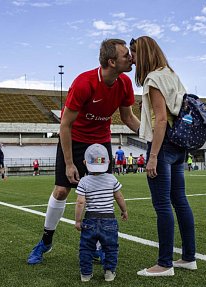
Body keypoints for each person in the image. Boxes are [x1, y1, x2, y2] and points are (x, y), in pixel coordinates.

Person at [27, 39, 140, 265]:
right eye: (126, 55)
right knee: (61, 191)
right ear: (111, 61)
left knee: (101, 195)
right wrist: (69, 163)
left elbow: (127, 117)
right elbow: (65, 125)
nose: (131, 58)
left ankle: (97, 245)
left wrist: (151, 135)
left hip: (100, 144)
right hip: (75, 140)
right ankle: (46, 241)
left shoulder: (125, 82)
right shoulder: (84, 83)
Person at [131, 36, 196, 277]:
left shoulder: (153, 79)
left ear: (144, 54)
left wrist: (153, 156)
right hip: (180, 145)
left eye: (135, 54)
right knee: (180, 200)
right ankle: (189, 257)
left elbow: (160, 119)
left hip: (163, 144)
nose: (133, 60)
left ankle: (164, 263)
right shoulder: (171, 74)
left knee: (162, 205)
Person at [74, 144, 128, 282]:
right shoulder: (111, 178)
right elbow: (119, 197)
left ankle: (85, 274)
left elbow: (80, 202)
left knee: (86, 248)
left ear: (85, 162)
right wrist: (124, 210)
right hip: (109, 220)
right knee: (110, 248)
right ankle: (109, 272)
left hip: (90, 220)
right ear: (108, 162)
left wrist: (78, 221)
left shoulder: (84, 181)